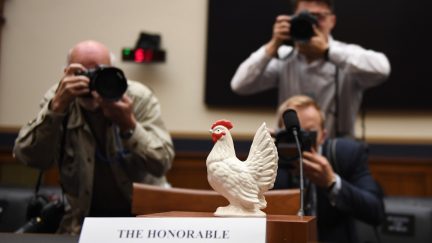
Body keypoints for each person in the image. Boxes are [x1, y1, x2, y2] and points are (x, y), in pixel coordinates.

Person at [13, 40, 175, 235]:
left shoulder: (138, 97)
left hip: (143, 220)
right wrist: (56, 110)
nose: (90, 82)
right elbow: (30, 157)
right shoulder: (59, 99)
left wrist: (129, 125)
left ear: (113, 71)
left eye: (99, 72)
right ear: (66, 74)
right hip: (82, 219)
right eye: (81, 73)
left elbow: (162, 162)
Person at [231, 0, 391, 138]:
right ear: (292, 20)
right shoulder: (284, 58)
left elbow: (382, 68)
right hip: (291, 148)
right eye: (305, 17)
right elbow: (240, 84)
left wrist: (328, 52)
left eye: (319, 17)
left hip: (335, 150)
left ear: (332, 21)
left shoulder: (346, 56)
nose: (312, 23)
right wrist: (273, 44)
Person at [273, 95, 385, 243]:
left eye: (308, 133)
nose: (300, 141)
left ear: (323, 136)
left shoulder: (345, 154)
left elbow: (376, 211)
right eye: (293, 135)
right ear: (280, 135)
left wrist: (332, 182)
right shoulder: (273, 163)